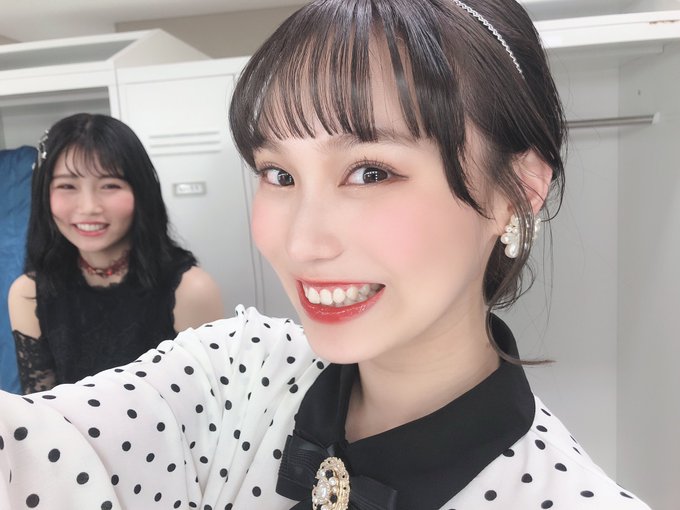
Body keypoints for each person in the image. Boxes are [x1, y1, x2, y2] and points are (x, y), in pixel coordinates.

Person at [0, 1, 650, 509]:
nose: (300, 244)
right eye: (278, 174)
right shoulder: (234, 371)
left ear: (517, 190)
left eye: (371, 171)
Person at [7, 113, 224, 394]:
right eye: (67, 186)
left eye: (110, 185)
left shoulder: (190, 290)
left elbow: (210, 405)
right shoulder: (28, 294)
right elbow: (40, 407)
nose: (89, 207)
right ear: (43, 195)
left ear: (141, 191)